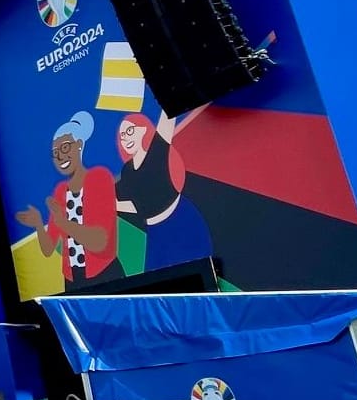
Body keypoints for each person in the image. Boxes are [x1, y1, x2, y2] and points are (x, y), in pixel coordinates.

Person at [15, 111, 123, 291]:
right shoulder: (60, 192)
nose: (60, 157)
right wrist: (39, 224)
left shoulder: (99, 178)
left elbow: (100, 242)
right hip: (73, 282)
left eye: (64, 148)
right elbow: (49, 248)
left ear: (79, 145)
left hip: (105, 276)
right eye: (55, 153)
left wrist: (64, 223)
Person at [114, 110, 214, 272]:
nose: (126, 137)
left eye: (130, 130)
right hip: (156, 233)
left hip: (181, 219)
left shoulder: (157, 151)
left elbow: (167, 119)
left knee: (197, 271)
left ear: (144, 129)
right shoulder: (127, 171)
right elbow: (138, 206)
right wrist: (111, 206)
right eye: (123, 135)